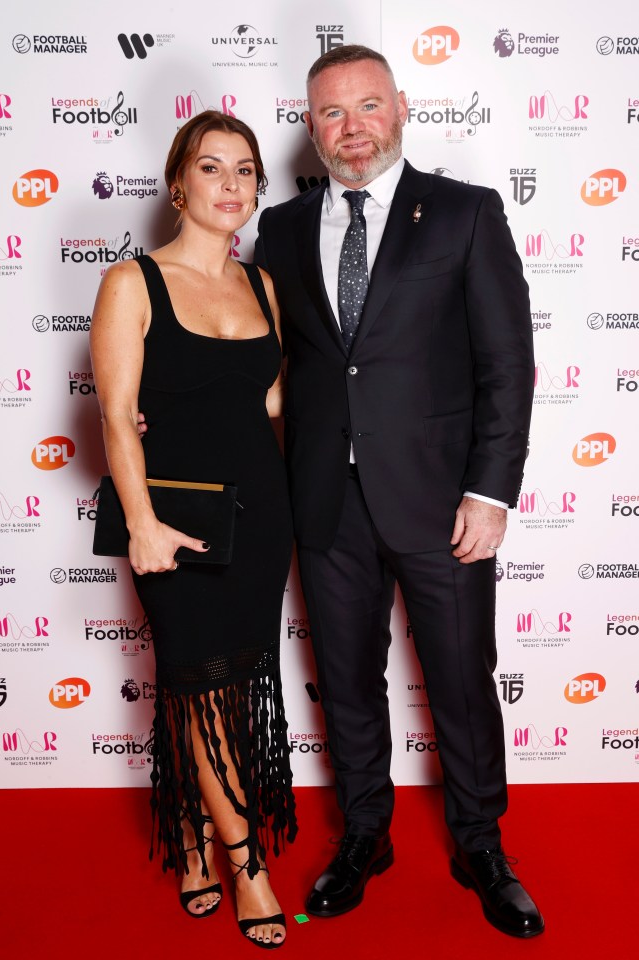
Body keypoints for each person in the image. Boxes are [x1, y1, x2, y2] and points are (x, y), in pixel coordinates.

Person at [253, 45, 542, 938]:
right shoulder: (283, 230)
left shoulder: (463, 214)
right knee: (345, 682)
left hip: (440, 503)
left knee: (459, 678)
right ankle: (365, 835)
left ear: (401, 107)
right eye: (333, 114)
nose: (352, 128)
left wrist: (489, 494)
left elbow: (508, 365)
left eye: (368, 107)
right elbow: (271, 369)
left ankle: (479, 842)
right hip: (326, 505)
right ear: (311, 125)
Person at [91, 110, 297, 949]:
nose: (230, 184)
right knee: (199, 678)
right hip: (174, 524)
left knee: (219, 683)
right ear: (180, 183)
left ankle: (188, 834)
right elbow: (112, 413)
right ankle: (246, 860)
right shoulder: (132, 281)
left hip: (262, 516)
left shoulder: (263, 285)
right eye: (211, 168)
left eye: (245, 170)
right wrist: (140, 521)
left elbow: (271, 406)